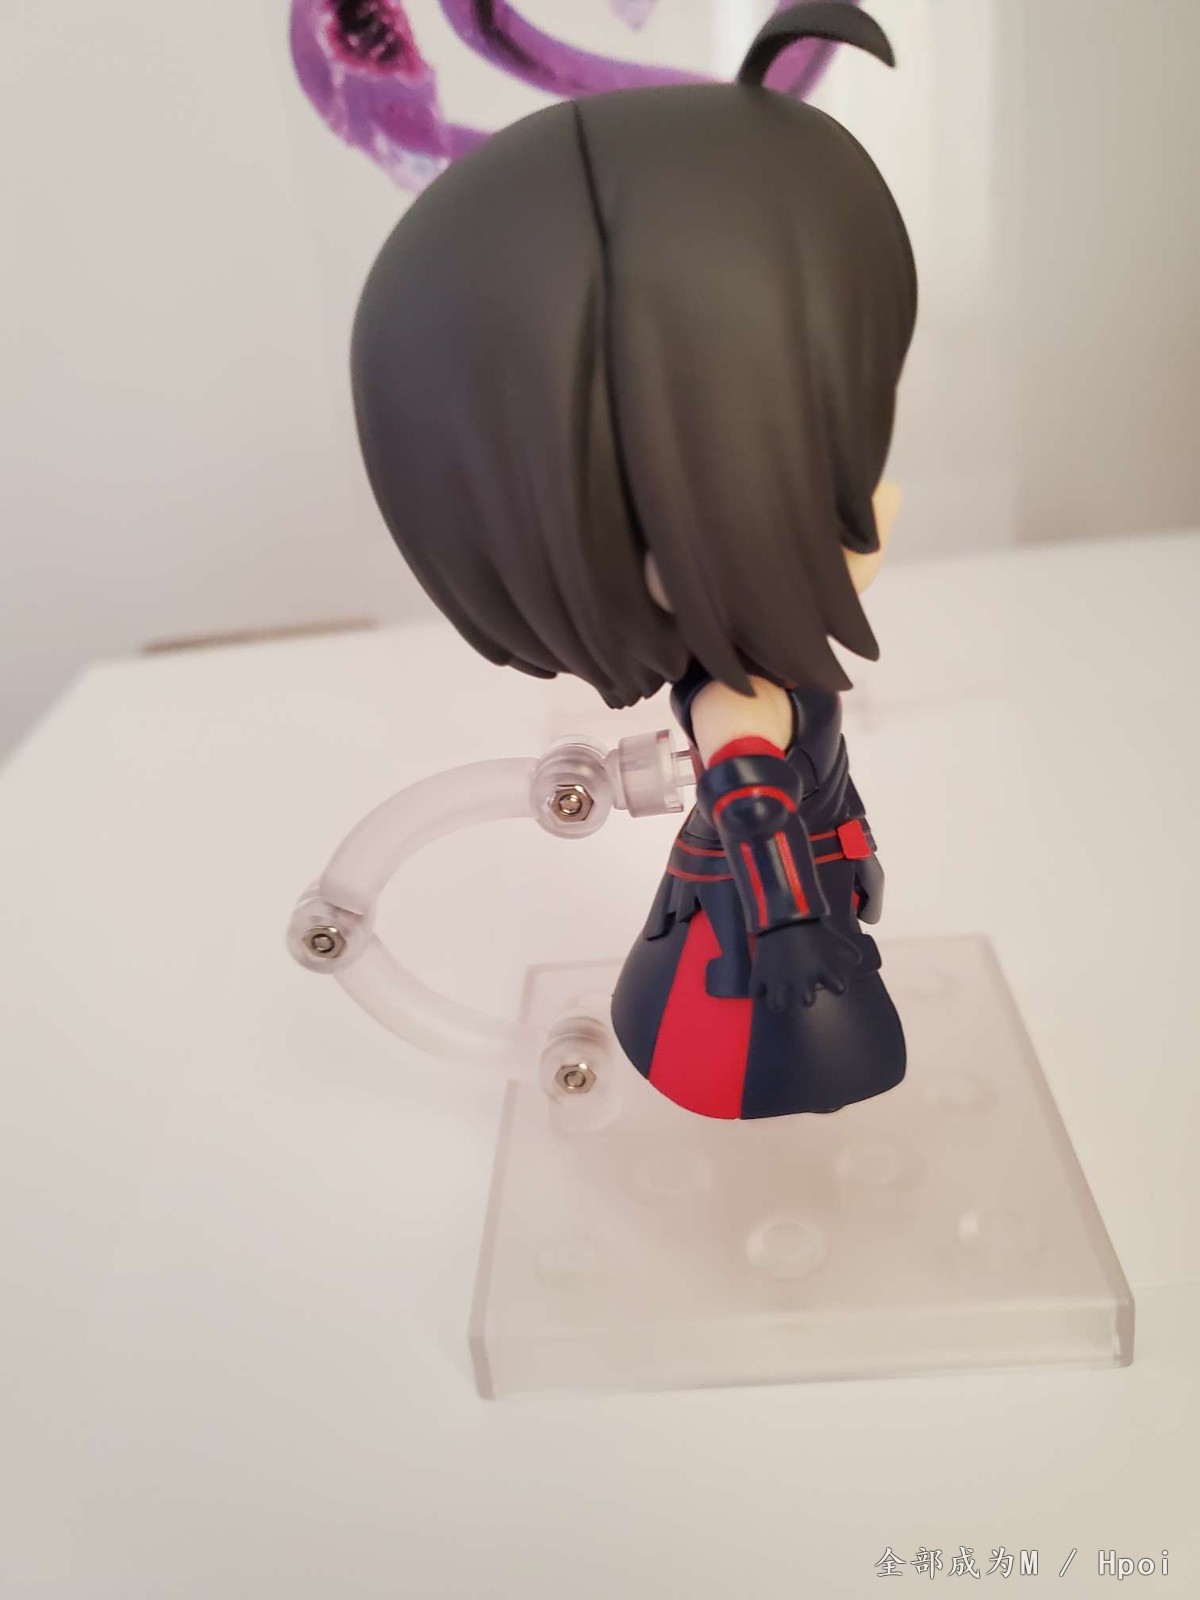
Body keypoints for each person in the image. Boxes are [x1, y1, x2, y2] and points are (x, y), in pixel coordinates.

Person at [350, 1, 918, 1118]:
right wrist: (790, 929)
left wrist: (849, 848)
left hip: (799, 904)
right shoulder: (737, 703)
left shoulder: (769, 677)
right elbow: (752, 805)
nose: (876, 507)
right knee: (802, 1061)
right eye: (807, 494)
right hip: (753, 947)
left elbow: (813, 775)